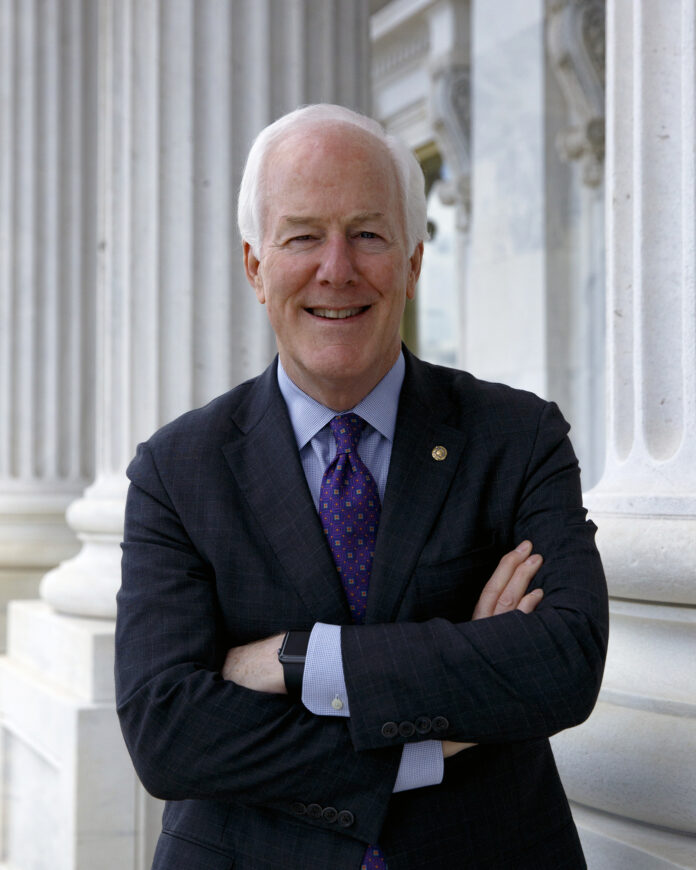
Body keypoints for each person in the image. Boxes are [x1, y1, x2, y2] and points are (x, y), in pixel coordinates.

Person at [115, 104, 608, 870]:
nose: (336, 268)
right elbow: (168, 733)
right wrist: (442, 726)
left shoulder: (518, 437)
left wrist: (300, 661)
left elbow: (565, 661)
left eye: (369, 234)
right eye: (303, 235)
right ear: (256, 266)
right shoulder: (177, 472)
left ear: (413, 263)